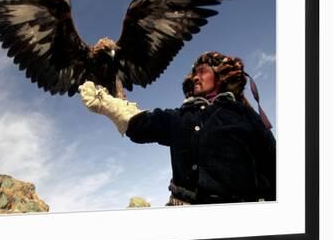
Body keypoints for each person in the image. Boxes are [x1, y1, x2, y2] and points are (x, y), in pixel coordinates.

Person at [79, 51, 276, 206]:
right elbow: (142, 124)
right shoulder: (181, 116)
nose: (195, 78)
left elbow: (274, 165)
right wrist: (107, 104)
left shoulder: (243, 114)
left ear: (220, 76)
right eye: (194, 74)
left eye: (202, 72)